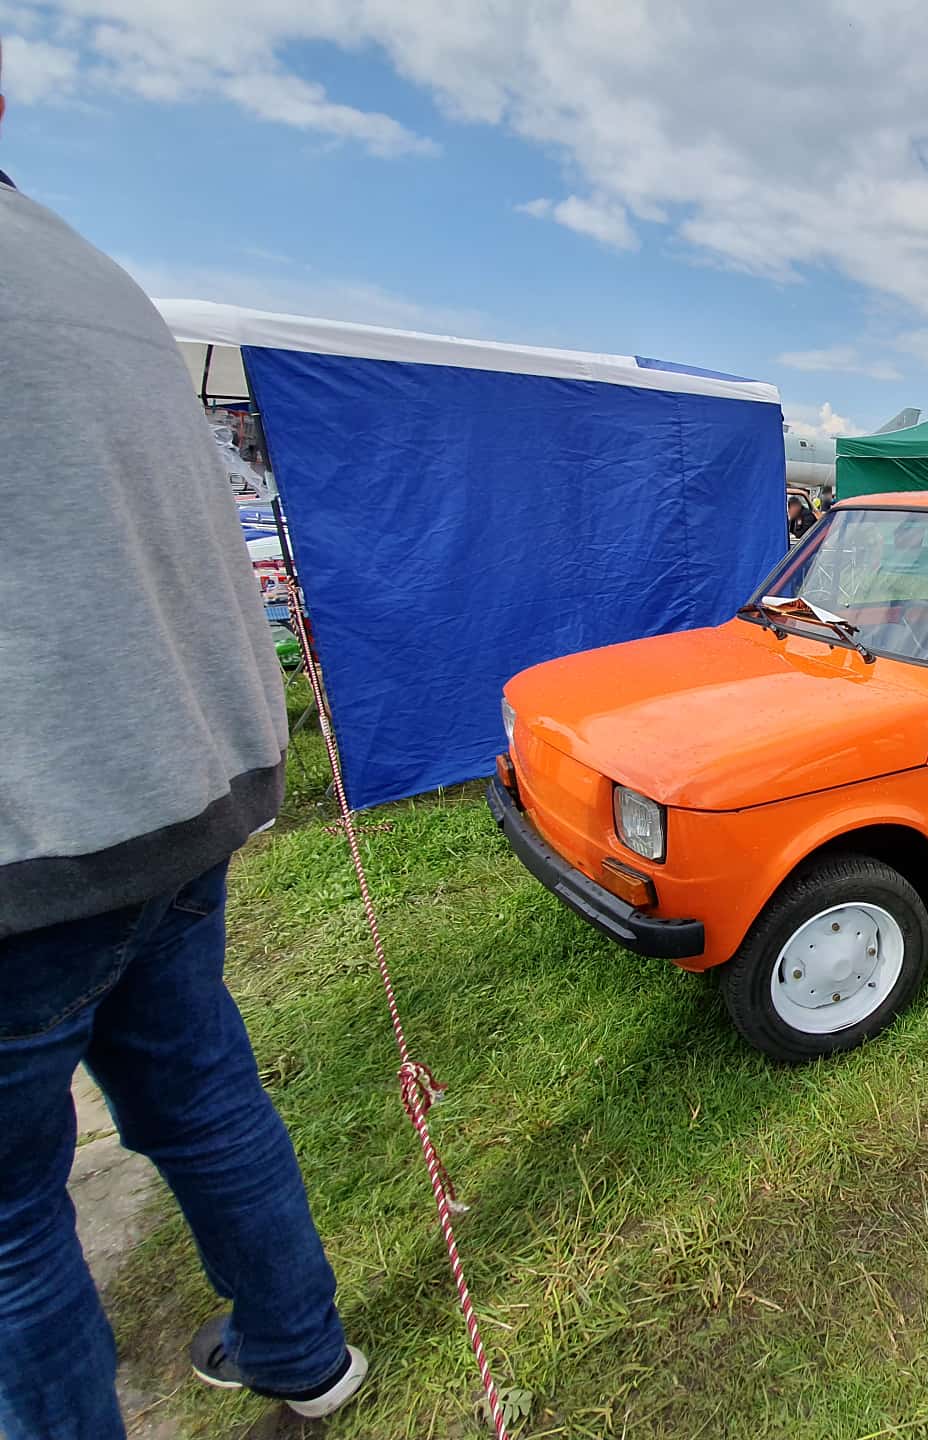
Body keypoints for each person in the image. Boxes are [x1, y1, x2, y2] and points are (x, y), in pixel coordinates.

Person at [0, 46, 367, 1437]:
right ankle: (301, 1348)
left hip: (36, 824)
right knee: (203, 1089)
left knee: (11, 1223)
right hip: (177, 783)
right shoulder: (96, 280)